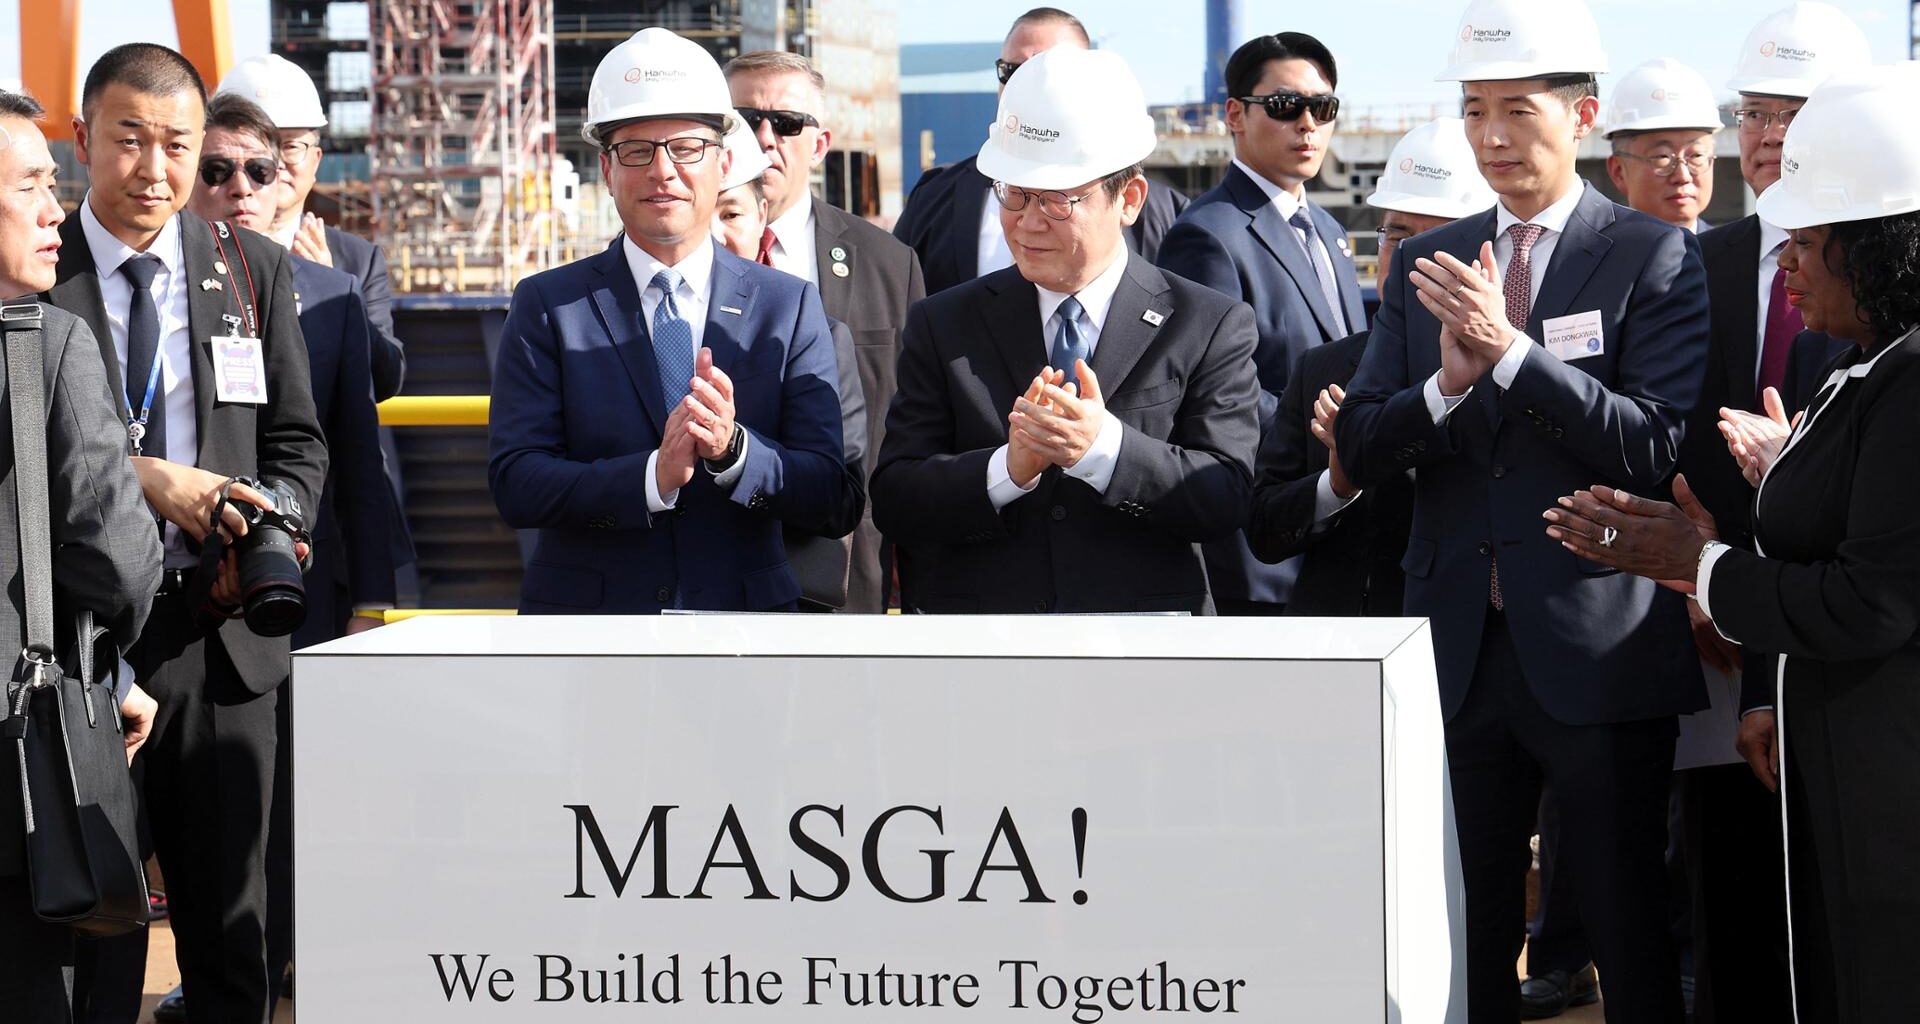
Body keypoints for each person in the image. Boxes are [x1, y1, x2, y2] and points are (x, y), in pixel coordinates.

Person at [1334, 1, 1710, 1019]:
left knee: (1629, 931)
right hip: (1458, 653)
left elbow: (1654, 443)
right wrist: (1445, 389)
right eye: (1474, 111)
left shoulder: (1654, 257)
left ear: (1582, 117)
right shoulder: (1430, 264)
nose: (1493, 136)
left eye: (1516, 110)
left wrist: (1512, 356)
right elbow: (1361, 442)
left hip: (1601, 650)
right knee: (1466, 932)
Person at [1546, 62, 1920, 1023]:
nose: (1783, 264)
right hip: (1842, 769)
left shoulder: (1910, 387)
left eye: (1807, 241)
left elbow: (1868, 599)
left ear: (1874, 250)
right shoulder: (1862, 369)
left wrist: (1697, 564)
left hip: (1889, 797)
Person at [45, 44, 328, 1024]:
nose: (154, 171)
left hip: (220, 644)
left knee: (231, 952)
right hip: (72, 653)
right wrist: (147, 481)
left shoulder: (251, 271)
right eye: (129, 140)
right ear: (82, 139)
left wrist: (266, 524)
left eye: (177, 145)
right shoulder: (32, 271)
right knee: (86, 954)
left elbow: (298, 444)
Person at [871, 46, 1259, 614]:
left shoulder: (1207, 324)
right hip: (985, 647)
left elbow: (1226, 495)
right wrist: (1008, 468)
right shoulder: (944, 322)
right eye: (1013, 194)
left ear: (1127, 200)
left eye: (1055, 200)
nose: (1026, 222)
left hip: (1143, 646)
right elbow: (896, 498)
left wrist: (1101, 449)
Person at [488, 28, 856, 614]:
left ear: (724, 162)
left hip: (746, 629)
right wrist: (651, 478)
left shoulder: (788, 307)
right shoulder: (546, 306)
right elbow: (517, 481)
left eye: (686, 147)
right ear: (606, 169)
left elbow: (834, 495)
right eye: (637, 150)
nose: (663, 171)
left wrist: (736, 453)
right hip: (588, 634)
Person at [179, 90, 397, 1022]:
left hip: (308, 588)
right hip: (179, 597)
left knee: (292, 805)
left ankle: (274, 977)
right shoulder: (152, 285)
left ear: (287, 182)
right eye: (216, 169)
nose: (236, 187)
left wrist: (376, 596)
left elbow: (359, 460)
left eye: (257, 170)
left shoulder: (340, 298)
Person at [1672, 8, 1869, 1021]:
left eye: (1790, 112)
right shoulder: (1686, 266)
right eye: (1752, 111)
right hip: (1701, 630)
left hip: (1842, 641)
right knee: (1733, 891)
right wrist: (1695, 578)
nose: (1765, 135)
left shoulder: (1884, 288)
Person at [0, 85, 164, 1024]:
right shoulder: (49, 346)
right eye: (32, 185)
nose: (56, 209)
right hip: (16, 782)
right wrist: (111, 663)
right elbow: (120, 556)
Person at [1157, 31, 1367, 616]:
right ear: (1234, 115)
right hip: (1264, 547)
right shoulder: (1206, 235)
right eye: (1284, 106)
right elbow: (1219, 393)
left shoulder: (1329, 232)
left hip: (1339, 522)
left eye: (1322, 108)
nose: (1307, 123)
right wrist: (1337, 434)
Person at [1247, 116, 1492, 618]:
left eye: (1437, 238)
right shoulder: (1325, 369)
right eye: (1396, 235)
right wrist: (1338, 483)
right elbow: (1264, 529)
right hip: (1344, 654)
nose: (1408, 258)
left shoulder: (1510, 371)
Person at [725, 48, 919, 612]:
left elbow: (915, 423)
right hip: (705, 565)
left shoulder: (889, 264)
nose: (764, 137)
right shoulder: (672, 260)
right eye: (743, 120)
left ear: (820, 143)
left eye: (786, 124)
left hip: (847, 571)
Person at [893, 6, 1189, 297]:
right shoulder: (937, 196)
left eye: (1059, 200)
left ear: (1129, 200)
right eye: (1013, 71)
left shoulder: (1162, 212)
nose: (1027, 84)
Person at [710, 119, 869, 611]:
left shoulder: (818, 331)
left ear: (762, 217)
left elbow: (840, 495)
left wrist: (735, 453)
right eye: (702, 214)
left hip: (780, 609)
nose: (715, 234)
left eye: (731, 214)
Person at [219, 53, 406, 401]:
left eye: (288, 146)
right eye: (255, 146)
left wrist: (334, 296)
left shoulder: (356, 261)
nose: (271, 163)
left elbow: (386, 378)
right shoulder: (183, 252)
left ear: (315, 159)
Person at [1602, 59, 1718, 233]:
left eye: (1696, 156)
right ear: (1618, 171)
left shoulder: (1738, 258)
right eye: (1662, 157)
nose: (1682, 176)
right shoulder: (1593, 258)